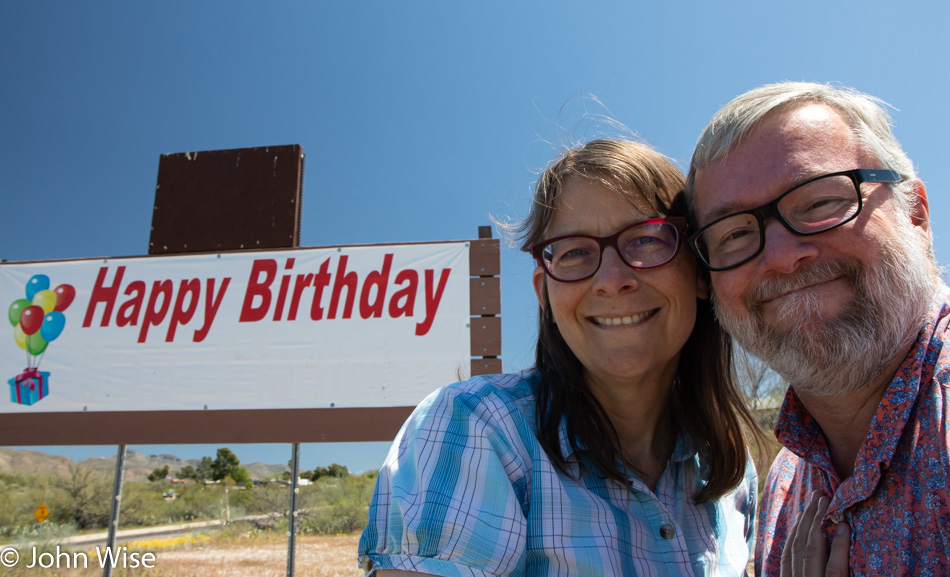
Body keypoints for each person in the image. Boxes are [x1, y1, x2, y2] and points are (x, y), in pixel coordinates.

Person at [357, 139, 764, 576]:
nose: (612, 280)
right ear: (545, 294)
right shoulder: (477, 430)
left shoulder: (733, 473)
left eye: (646, 239)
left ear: (699, 272)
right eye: (574, 252)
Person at [685, 82, 949, 577]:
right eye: (735, 234)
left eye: (820, 202)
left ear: (915, 213)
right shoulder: (785, 481)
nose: (782, 257)